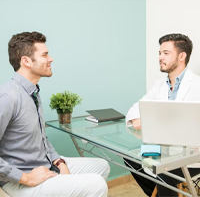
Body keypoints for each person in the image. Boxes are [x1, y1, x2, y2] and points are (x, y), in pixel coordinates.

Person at [0, 31, 110, 197]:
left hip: (45, 165)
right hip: (19, 181)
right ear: (26, 61)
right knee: (97, 185)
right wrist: (26, 178)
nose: (50, 59)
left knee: (102, 166)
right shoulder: (8, 97)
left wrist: (58, 161)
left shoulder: (32, 92)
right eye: (45, 55)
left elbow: (42, 137)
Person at [124, 33, 200, 197]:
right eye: (159, 53)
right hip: (163, 150)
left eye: (166, 53)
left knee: (165, 171)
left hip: (191, 155)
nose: (160, 57)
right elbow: (137, 107)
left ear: (182, 56)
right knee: (129, 157)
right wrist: (136, 119)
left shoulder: (197, 85)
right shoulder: (159, 85)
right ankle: (159, 194)